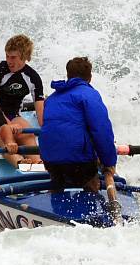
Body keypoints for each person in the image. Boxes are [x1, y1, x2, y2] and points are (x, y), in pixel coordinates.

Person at [39, 56, 123, 222]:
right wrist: (108, 163)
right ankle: (93, 213)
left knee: (60, 176)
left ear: (68, 75)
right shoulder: (89, 94)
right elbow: (101, 131)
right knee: (91, 181)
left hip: (50, 161)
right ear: (89, 77)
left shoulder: (52, 98)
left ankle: (55, 204)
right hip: (78, 161)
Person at [0, 34, 45, 166]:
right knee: (6, 137)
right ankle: (19, 162)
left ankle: (36, 162)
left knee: (28, 134)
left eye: (13, 57)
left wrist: (47, 130)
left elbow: (40, 110)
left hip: (13, 115)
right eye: (7, 56)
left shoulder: (33, 77)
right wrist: (8, 124)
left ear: (24, 56)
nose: (9, 61)